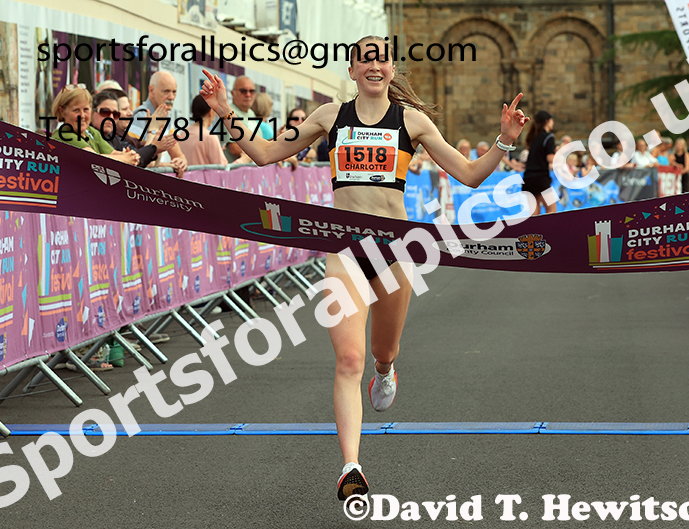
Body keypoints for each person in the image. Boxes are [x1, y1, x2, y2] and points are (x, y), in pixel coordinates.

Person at [199, 35, 528, 501]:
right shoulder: (329, 116)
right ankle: (351, 467)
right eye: (365, 59)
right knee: (348, 360)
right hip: (345, 251)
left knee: (382, 352)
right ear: (352, 69)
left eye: (383, 59)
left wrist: (504, 140)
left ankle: (386, 370)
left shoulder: (411, 121)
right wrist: (224, 109)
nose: (375, 66)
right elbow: (266, 152)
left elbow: (470, 175)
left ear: (392, 69)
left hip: (394, 252)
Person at [50, 84, 139, 165]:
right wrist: (125, 158)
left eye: (86, 109)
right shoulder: (63, 135)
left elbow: (113, 153)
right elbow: (94, 159)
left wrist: (130, 156)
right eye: (76, 110)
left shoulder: (90, 131)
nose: (82, 115)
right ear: (62, 112)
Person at [126, 71, 188, 177]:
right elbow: (136, 160)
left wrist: (181, 161)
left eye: (174, 92)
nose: (171, 97)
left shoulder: (166, 117)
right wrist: (167, 166)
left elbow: (178, 154)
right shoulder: (139, 117)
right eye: (166, 91)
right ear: (151, 90)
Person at [90, 90, 160, 168]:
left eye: (115, 114)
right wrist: (153, 133)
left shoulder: (114, 138)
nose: (111, 117)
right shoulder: (88, 135)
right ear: (92, 111)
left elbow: (139, 159)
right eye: (105, 112)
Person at [522, 110, 556, 216]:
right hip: (541, 179)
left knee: (534, 214)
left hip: (528, 178)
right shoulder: (549, 137)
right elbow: (550, 159)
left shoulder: (533, 138)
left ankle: (535, 228)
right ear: (547, 121)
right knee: (551, 210)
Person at [178, 95, 227, 166]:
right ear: (211, 112)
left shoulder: (183, 133)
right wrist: (242, 159)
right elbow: (223, 167)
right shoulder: (210, 137)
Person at [222, 76, 261, 163]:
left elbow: (258, 143)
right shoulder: (228, 113)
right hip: (235, 169)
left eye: (251, 91)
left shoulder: (251, 113)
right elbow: (234, 148)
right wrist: (261, 154)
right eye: (243, 91)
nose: (248, 95)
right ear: (232, 93)